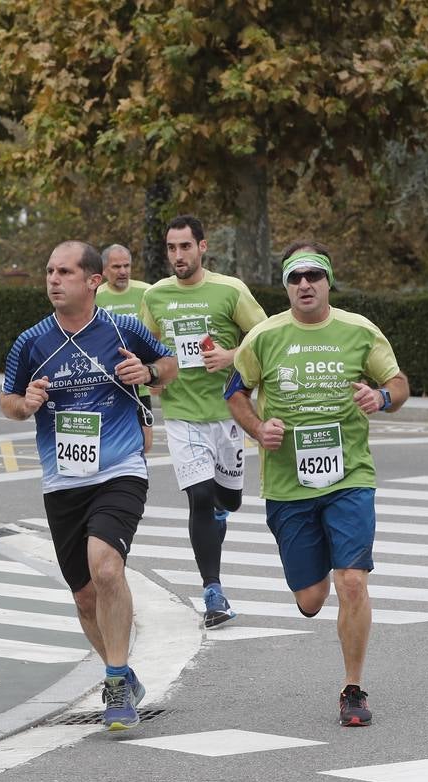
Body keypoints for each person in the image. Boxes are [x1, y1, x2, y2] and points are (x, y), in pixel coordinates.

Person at [226, 241, 409, 726]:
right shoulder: (264, 337)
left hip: (350, 476)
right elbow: (235, 393)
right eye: (294, 277)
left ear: (328, 281)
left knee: (351, 581)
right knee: (310, 601)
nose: (304, 284)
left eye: (314, 275)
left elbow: (398, 382)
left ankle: (353, 689)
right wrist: (258, 429)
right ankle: (326, 556)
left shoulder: (358, 331)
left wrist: (382, 399)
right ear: (286, 285)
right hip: (288, 484)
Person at [0, 240, 176, 731]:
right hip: (63, 481)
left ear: (93, 280)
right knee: (84, 596)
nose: (54, 280)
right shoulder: (32, 341)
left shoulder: (123, 329)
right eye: (49, 271)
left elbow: (170, 367)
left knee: (106, 567)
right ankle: (121, 670)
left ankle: (116, 683)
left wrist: (149, 372)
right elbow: (7, 400)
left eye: (65, 272)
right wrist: (26, 403)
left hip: (120, 468)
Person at [139, 214, 267, 629]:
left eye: (185, 247)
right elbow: (145, 349)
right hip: (182, 416)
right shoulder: (156, 296)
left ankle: (222, 511)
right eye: (172, 248)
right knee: (198, 497)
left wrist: (232, 357)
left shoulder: (230, 290)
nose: (178, 255)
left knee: (226, 501)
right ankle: (213, 592)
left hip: (227, 414)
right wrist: (154, 374)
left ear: (202, 247)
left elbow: (268, 338)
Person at [97, 243, 154, 454]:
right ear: (103, 270)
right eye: (116, 267)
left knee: (145, 445)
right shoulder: (94, 296)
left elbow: (159, 334)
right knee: (108, 442)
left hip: (139, 383)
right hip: (106, 384)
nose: (122, 272)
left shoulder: (147, 292)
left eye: (126, 266)